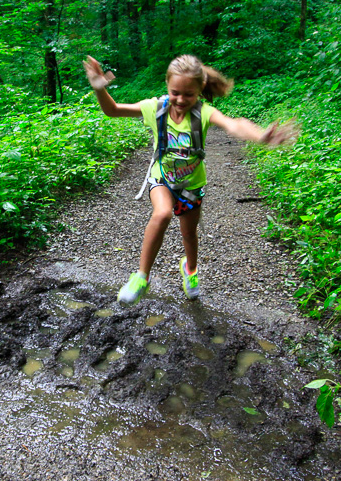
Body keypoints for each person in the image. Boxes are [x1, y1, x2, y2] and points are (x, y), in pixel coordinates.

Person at [83, 54, 297, 305]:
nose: (181, 100)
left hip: (191, 186)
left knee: (189, 233)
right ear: (166, 86)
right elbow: (113, 110)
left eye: (189, 94)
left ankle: (191, 271)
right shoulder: (156, 108)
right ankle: (141, 276)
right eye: (175, 93)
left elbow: (233, 125)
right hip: (161, 178)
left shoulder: (203, 113)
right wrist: (99, 88)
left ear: (200, 90)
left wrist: (260, 136)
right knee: (162, 214)